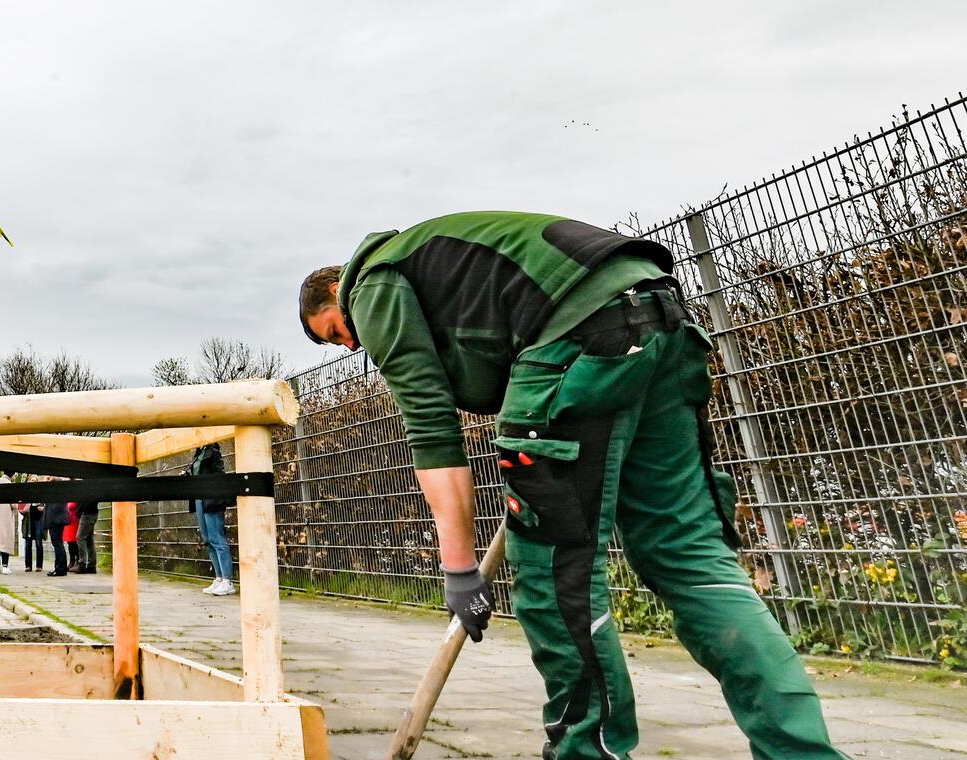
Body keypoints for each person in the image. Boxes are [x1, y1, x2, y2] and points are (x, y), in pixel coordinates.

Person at [299, 211, 847, 760]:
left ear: (336, 290)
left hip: (583, 341)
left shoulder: (372, 280)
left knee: (557, 579)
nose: (349, 347)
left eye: (334, 332)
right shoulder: (444, 264)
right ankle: (801, 752)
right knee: (689, 557)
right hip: (660, 320)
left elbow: (430, 423)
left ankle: (586, 753)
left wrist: (460, 569)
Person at [188, 442, 235, 596]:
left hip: (212, 498)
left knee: (217, 538)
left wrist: (218, 494)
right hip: (199, 498)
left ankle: (227, 581)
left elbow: (219, 474)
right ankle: (219, 578)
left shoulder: (213, 451)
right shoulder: (198, 453)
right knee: (208, 539)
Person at [71, 496, 100, 573]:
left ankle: (82, 564)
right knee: (89, 539)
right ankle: (91, 564)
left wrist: (79, 511)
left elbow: (85, 501)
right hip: (92, 512)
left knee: (80, 538)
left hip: (87, 513)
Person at [18, 500, 46, 572]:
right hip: (28, 521)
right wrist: (21, 510)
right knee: (28, 544)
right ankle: (28, 566)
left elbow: (46, 506)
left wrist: (43, 508)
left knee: (38, 543)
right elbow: (21, 507)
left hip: (39, 520)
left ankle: (39, 566)